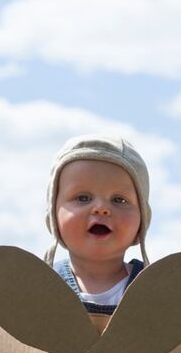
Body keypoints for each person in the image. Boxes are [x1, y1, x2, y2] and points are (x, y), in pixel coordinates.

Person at [44, 134, 151, 317]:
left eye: (119, 199)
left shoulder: (157, 290)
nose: (101, 208)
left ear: (142, 218)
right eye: (83, 198)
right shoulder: (38, 289)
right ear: (54, 214)